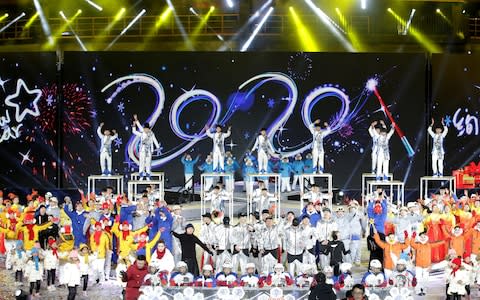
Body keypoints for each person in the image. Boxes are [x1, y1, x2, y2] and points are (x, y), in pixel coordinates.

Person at [132, 114, 160, 180]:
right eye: (144, 129)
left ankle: (148, 175)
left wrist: (158, 147)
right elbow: (134, 131)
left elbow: (154, 140)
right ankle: (141, 174)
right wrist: (135, 123)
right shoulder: (142, 134)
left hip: (149, 151)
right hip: (142, 150)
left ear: (149, 129)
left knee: (148, 162)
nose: (145, 130)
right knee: (141, 162)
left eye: (147, 129)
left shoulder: (151, 134)